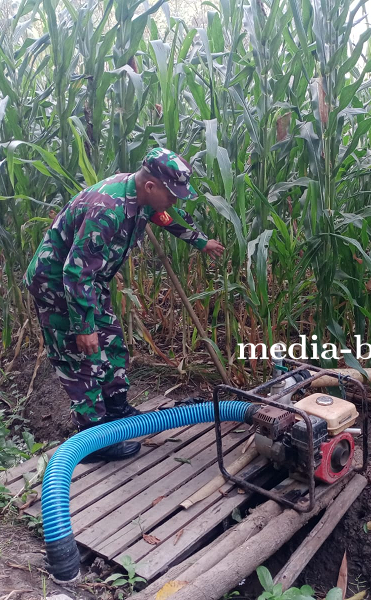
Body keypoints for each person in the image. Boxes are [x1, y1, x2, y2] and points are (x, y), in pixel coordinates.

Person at [23, 148, 225, 461]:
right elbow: (73, 271)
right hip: (59, 286)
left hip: (91, 282)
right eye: (172, 195)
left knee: (112, 342)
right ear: (151, 186)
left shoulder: (143, 200)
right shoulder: (108, 209)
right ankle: (93, 437)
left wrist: (200, 241)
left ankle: (116, 409)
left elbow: (166, 217)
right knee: (79, 356)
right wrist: (83, 327)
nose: (175, 201)